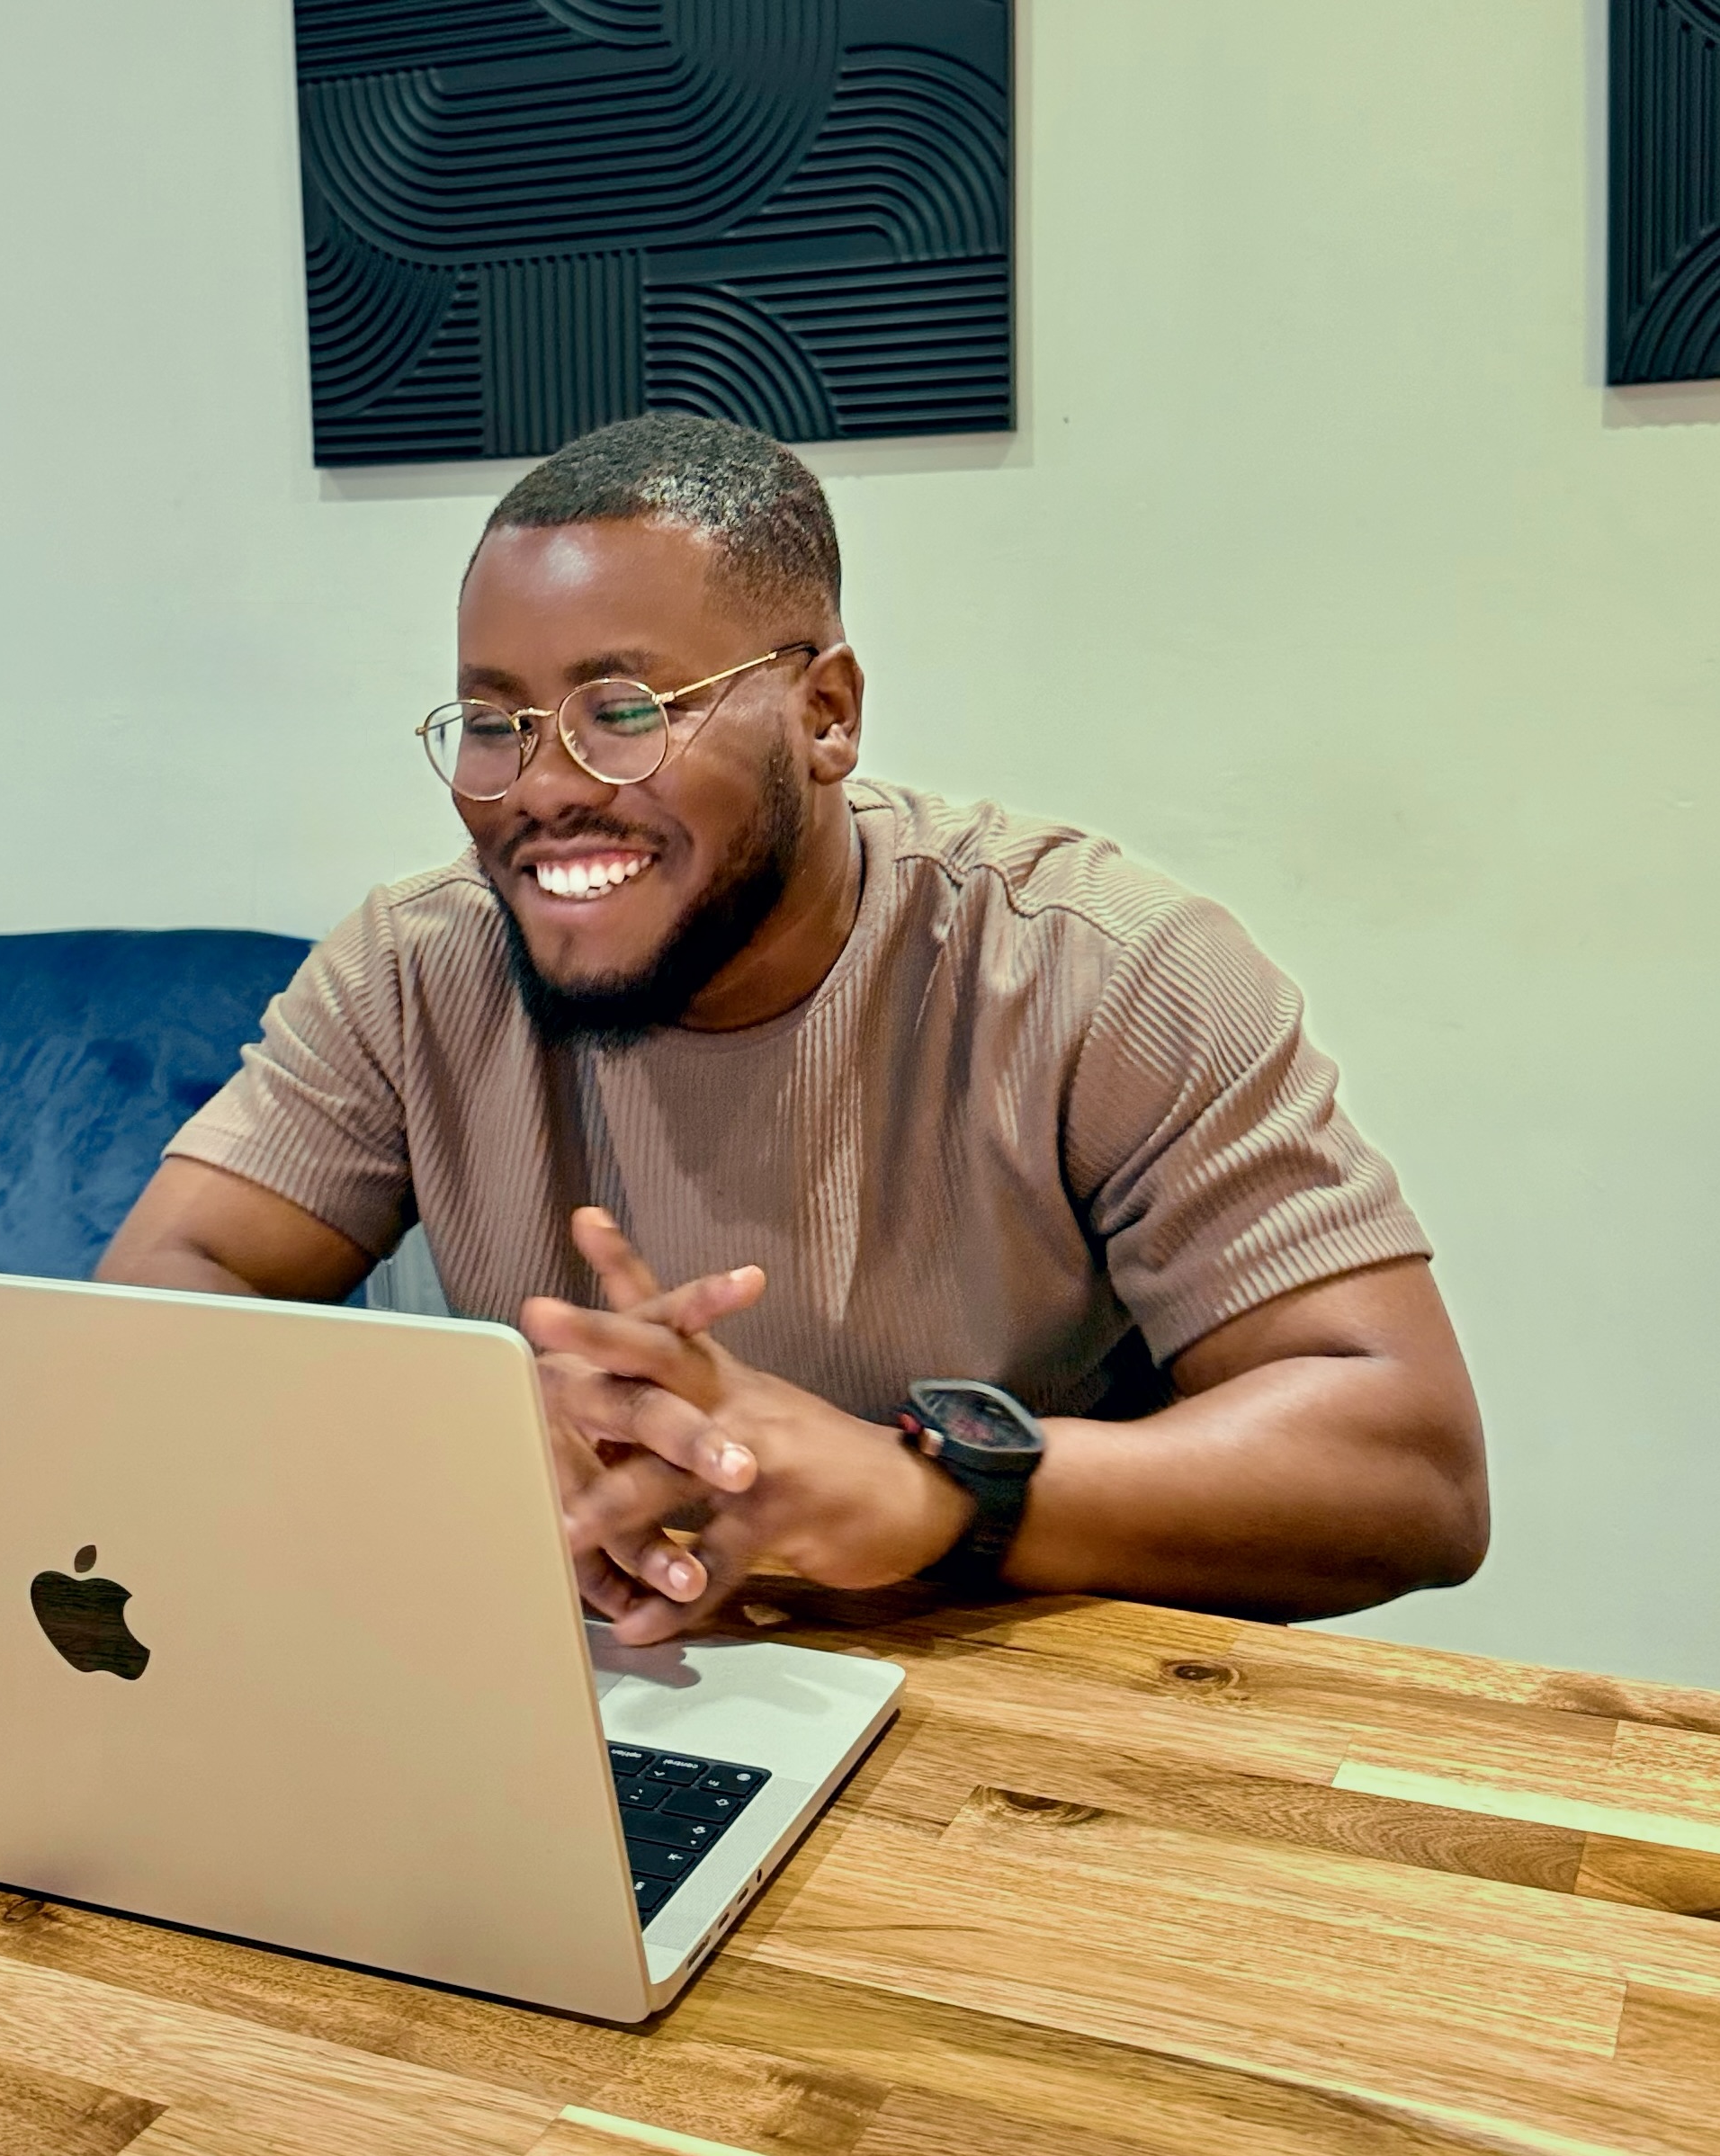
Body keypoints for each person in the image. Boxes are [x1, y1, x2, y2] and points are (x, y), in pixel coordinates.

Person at [100, 414, 1487, 1644]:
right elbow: (164, 1287)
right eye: (492, 719)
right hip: (582, 1695)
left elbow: (1408, 1470)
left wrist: (931, 1492)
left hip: (1006, 1709)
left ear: (825, 713)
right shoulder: (418, 966)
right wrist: (440, 1434)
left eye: (623, 710)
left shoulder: (1095, 967)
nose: (540, 787)